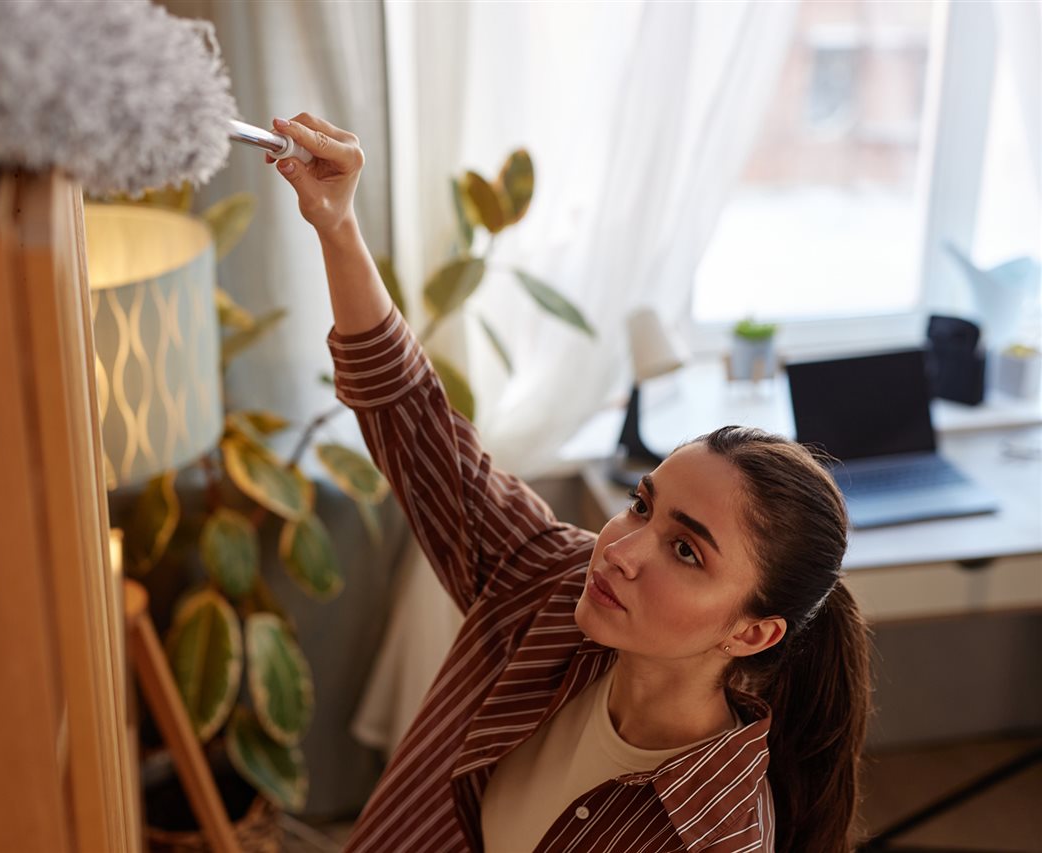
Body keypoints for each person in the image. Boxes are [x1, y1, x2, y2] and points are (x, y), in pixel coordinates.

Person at [265, 113, 872, 853]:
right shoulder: (553, 583)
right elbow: (415, 422)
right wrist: (336, 224)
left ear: (751, 631)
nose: (620, 549)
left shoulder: (716, 837)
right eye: (642, 507)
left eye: (686, 551)